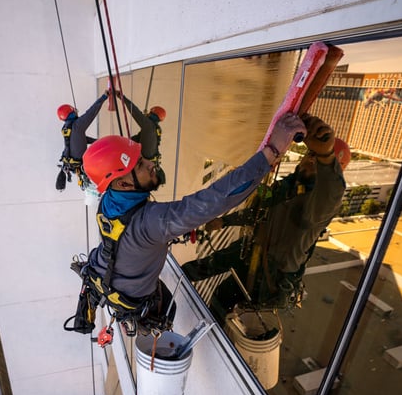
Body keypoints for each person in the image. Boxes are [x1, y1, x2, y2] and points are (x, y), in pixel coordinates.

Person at [74, 112, 306, 335]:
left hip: (105, 273)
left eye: (143, 157)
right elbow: (215, 200)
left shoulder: (109, 201)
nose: (151, 163)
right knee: (169, 310)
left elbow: (136, 237)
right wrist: (271, 152)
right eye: (140, 165)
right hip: (127, 293)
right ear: (123, 184)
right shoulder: (153, 222)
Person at [181, 115, 349, 323]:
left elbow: (332, 192)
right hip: (251, 251)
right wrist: (225, 221)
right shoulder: (287, 187)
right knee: (196, 272)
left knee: (221, 298)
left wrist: (326, 155)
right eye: (311, 154)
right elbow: (259, 212)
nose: (311, 160)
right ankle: (165, 289)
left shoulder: (316, 206)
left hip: (269, 276)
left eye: (318, 160)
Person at [55, 92, 109, 191]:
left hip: (72, 163)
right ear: (71, 113)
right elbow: (91, 113)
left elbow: (79, 139)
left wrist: (98, 141)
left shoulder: (67, 127)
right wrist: (104, 97)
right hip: (81, 164)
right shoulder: (77, 125)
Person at [118, 92, 167, 185]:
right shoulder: (153, 129)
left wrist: (122, 98)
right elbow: (132, 141)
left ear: (151, 113)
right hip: (148, 160)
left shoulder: (149, 127)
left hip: (146, 160)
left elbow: (135, 113)